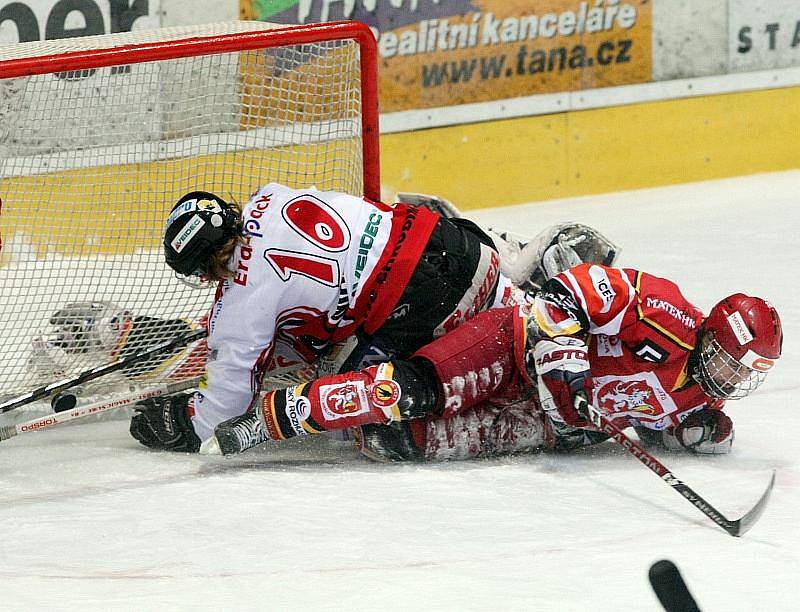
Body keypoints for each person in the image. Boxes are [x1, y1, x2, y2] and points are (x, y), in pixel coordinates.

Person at [128, 184, 619, 454]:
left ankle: (531, 389)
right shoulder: (270, 196)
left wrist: (190, 423)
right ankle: (527, 271)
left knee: (339, 397)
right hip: (459, 243)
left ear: (206, 264)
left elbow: (229, 399)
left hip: (430, 303)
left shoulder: (242, 301)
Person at [193, 262, 781, 462]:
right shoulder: (664, 309)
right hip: (517, 345)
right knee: (414, 390)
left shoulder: (707, 389)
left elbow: (662, 413)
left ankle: (344, 417)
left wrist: (698, 428)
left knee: (410, 441)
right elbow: (564, 297)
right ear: (709, 335)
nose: (729, 379)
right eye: (729, 364)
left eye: (741, 374)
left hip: (545, 420)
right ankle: (276, 415)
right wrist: (567, 372)